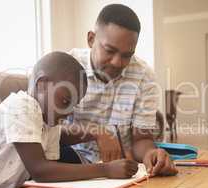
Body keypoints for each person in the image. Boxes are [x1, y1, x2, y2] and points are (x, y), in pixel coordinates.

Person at [0, 52, 139, 188]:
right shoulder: (22, 105)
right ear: (42, 85)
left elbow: (51, 171)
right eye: (65, 101)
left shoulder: (49, 121)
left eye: (73, 105)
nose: (69, 112)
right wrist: (105, 170)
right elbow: (41, 170)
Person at [62, 4, 178, 176]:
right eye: (110, 50)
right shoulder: (65, 67)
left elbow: (142, 139)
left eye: (127, 55)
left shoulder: (144, 76)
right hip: (71, 165)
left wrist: (150, 154)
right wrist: (96, 132)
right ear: (91, 39)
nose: (117, 62)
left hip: (123, 169)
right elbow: (48, 134)